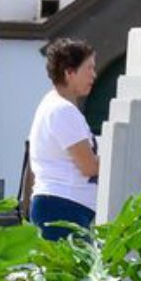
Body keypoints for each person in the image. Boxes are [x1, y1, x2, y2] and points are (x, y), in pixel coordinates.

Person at [27, 38, 99, 239]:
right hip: (63, 207)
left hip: (62, 205)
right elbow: (89, 167)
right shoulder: (62, 110)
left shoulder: (55, 105)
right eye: (89, 68)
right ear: (69, 72)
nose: (94, 75)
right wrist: (116, 155)